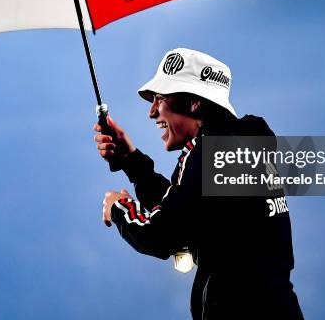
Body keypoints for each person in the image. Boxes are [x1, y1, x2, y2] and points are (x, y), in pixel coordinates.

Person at [94, 48, 303, 319]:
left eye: (160, 98)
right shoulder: (239, 148)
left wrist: (119, 208)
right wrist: (131, 160)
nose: (152, 112)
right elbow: (183, 210)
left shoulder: (206, 152)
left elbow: (160, 235)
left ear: (194, 103)